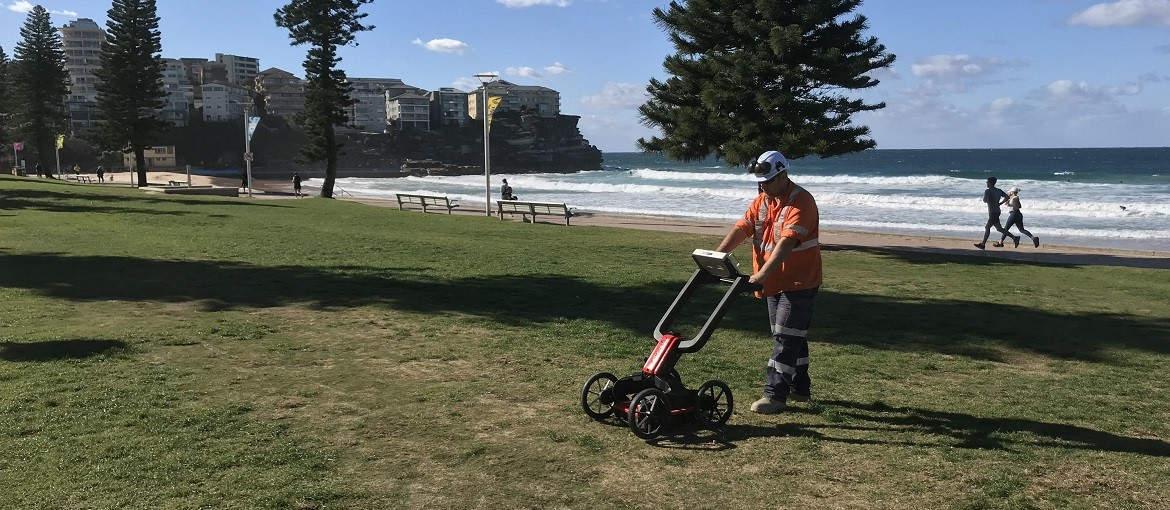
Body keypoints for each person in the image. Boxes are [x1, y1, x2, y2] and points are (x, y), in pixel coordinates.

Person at [715, 150, 822, 415]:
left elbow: (786, 243)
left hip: (798, 280)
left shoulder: (802, 202)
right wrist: (718, 255)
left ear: (783, 174)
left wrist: (762, 275)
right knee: (789, 334)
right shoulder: (762, 200)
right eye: (759, 182)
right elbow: (742, 228)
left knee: (785, 337)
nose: (762, 186)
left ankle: (775, 396)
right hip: (773, 281)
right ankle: (800, 388)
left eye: (768, 181)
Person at [975, 176, 1018, 249]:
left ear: (990, 183)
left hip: (993, 212)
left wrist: (989, 198)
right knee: (999, 229)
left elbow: (984, 200)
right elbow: (1007, 197)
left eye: (987, 182)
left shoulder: (987, 191)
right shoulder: (999, 190)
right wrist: (1000, 203)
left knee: (987, 227)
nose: (986, 183)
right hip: (997, 211)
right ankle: (1015, 238)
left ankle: (983, 244)